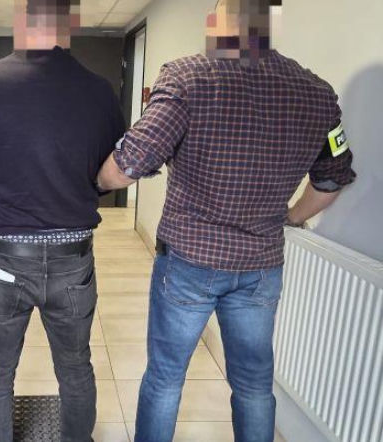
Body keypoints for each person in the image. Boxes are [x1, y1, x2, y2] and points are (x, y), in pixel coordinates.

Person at [97, 0, 356, 441]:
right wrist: (289, 216)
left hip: (188, 263)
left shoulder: (186, 77)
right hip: (261, 266)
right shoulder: (318, 93)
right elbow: (332, 181)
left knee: (165, 378)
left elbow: (129, 164)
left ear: (216, 23)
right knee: (254, 386)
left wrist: (93, 184)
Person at [0, 0, 126, 440]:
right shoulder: (100, 91)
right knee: (76, 368)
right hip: (72, 258)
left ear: (19, 21)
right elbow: (111, 170)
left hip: (2, 259)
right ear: (71, 23)